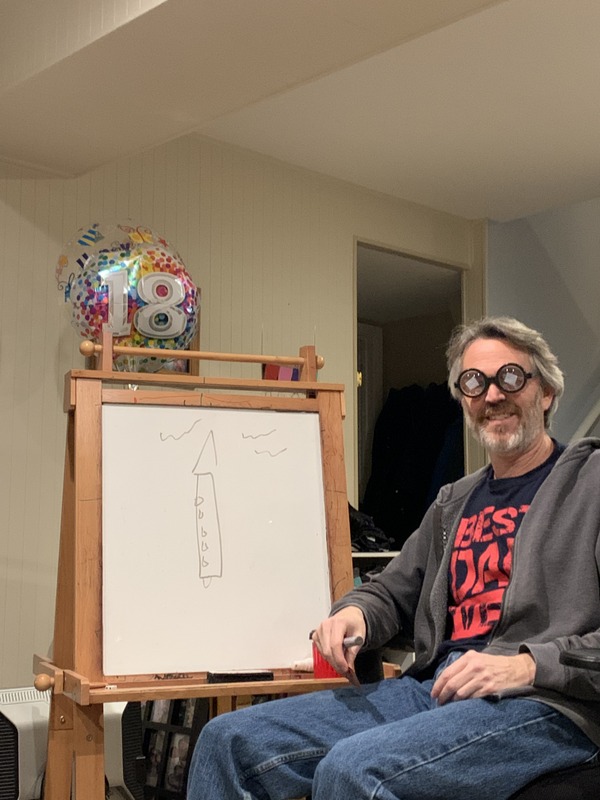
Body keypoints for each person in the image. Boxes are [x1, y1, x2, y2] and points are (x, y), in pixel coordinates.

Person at [187, 316, 600, 800]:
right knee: (226, 740)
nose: (492, 395)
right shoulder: (454, 501)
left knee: (353, 769)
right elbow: (392, 589)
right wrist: (355, 614)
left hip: (542, 702)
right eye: (474, 382)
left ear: (546, 392)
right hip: (435, 688)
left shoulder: (590, 484)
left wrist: (526, 665)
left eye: (510, 377)